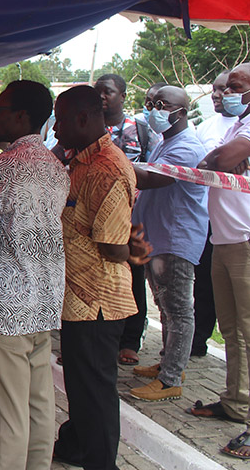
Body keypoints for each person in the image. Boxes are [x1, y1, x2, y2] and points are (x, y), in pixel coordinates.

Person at [0, 81, 69, 470]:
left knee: (5, 413)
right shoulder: (56, 167)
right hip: (44, 299)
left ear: (21, 116)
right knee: (39, 406)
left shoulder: (2, 165)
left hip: (4, 304)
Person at [51, 85, 151, 470]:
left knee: (95, 391)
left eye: (60, 121)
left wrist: (133, 250)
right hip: (78, 296)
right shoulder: (82, 162)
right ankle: (76, 446)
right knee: (81, 385)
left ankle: (101, 462)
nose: (55, 129)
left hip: (97, 300)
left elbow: (111, 246)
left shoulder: (107, 168)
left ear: (82, 119)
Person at [188, 63, 250, 460]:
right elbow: (212, 160)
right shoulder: (238, 125)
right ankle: (236, 401)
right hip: (225, 239)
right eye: (225, 87)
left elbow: (222, 158)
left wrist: (224, 158)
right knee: (231, 329)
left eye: (235, 87)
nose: (226, 93)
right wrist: (222, 158)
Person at [128, 86, 209, 402]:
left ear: (182, 111)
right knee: (165, 306)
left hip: (175, 239)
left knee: (177, 310)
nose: (153, 110)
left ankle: (171, 379)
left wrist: (113, 163)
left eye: (162, 105)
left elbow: (152, 180)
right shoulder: (166, 141)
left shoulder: (186, 147)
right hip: (158, 237)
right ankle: (169, 363)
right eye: (150, 104)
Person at [96, 74, 159, 367]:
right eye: (97, 92)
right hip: (94, 217)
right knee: (99, 276)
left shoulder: (141, 130)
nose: (102, 97)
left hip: (131, 219)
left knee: (133, 279)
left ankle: (130, 340)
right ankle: (98, 338)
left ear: (122, 96)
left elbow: (154, 172)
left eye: (107, 92)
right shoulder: (88, 128)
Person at [192, 71, 235, 356]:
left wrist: (221, 160)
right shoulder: (206, 127)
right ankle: (198, 341)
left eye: (226, 89)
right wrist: (220, 160)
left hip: (241, 226)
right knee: (204, 286)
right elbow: (201, 166)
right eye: (215, 89)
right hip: (207, 219)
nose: (218, 95)